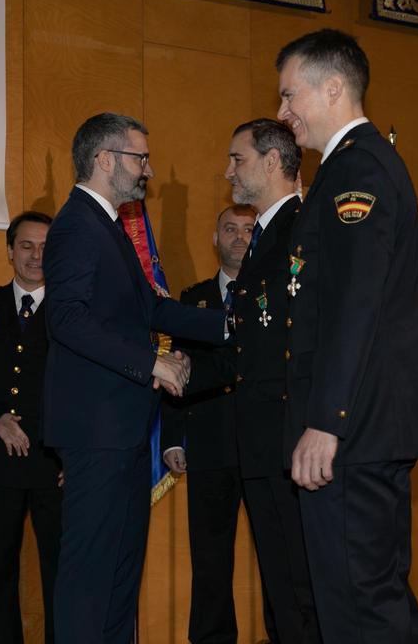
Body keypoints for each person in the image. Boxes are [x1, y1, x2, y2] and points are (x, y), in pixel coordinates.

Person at [43, 112, 227, 644]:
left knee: (120, 574)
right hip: (96, 431)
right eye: (140, 158)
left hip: (121, 430)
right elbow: (67, 319)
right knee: (90, 576)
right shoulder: (77, 225)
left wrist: (232, 324)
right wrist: (151, 363)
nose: (148, 169)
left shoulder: (107, 226)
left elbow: (151, 308)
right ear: (105, 160)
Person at [276, 29, 418, 642]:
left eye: (290, 95)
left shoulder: (357, 167)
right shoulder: (350, 165)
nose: (283, 112)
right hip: (365, 422)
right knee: (366, 596)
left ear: (333, 88)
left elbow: (355, 303)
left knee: (358, 605)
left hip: (355, 425)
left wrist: (328, 420)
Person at [161, 202, 274, 644]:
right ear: (215, 238)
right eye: (230, 228)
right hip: (209, 446)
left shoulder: (274, 294)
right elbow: (177, 367)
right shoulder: (193, 300)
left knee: (277, 555)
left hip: (266, 446)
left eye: (248, 229)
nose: (240, 237)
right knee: (210, 560)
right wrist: (173, 438)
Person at [0, 210, 63, 644]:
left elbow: (85, 389)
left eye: (46, 247)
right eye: (26, 246)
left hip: (55, 463)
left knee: (60, 574)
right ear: (9, 251)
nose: (36, 256)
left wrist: (72, 451)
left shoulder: (71, 312)